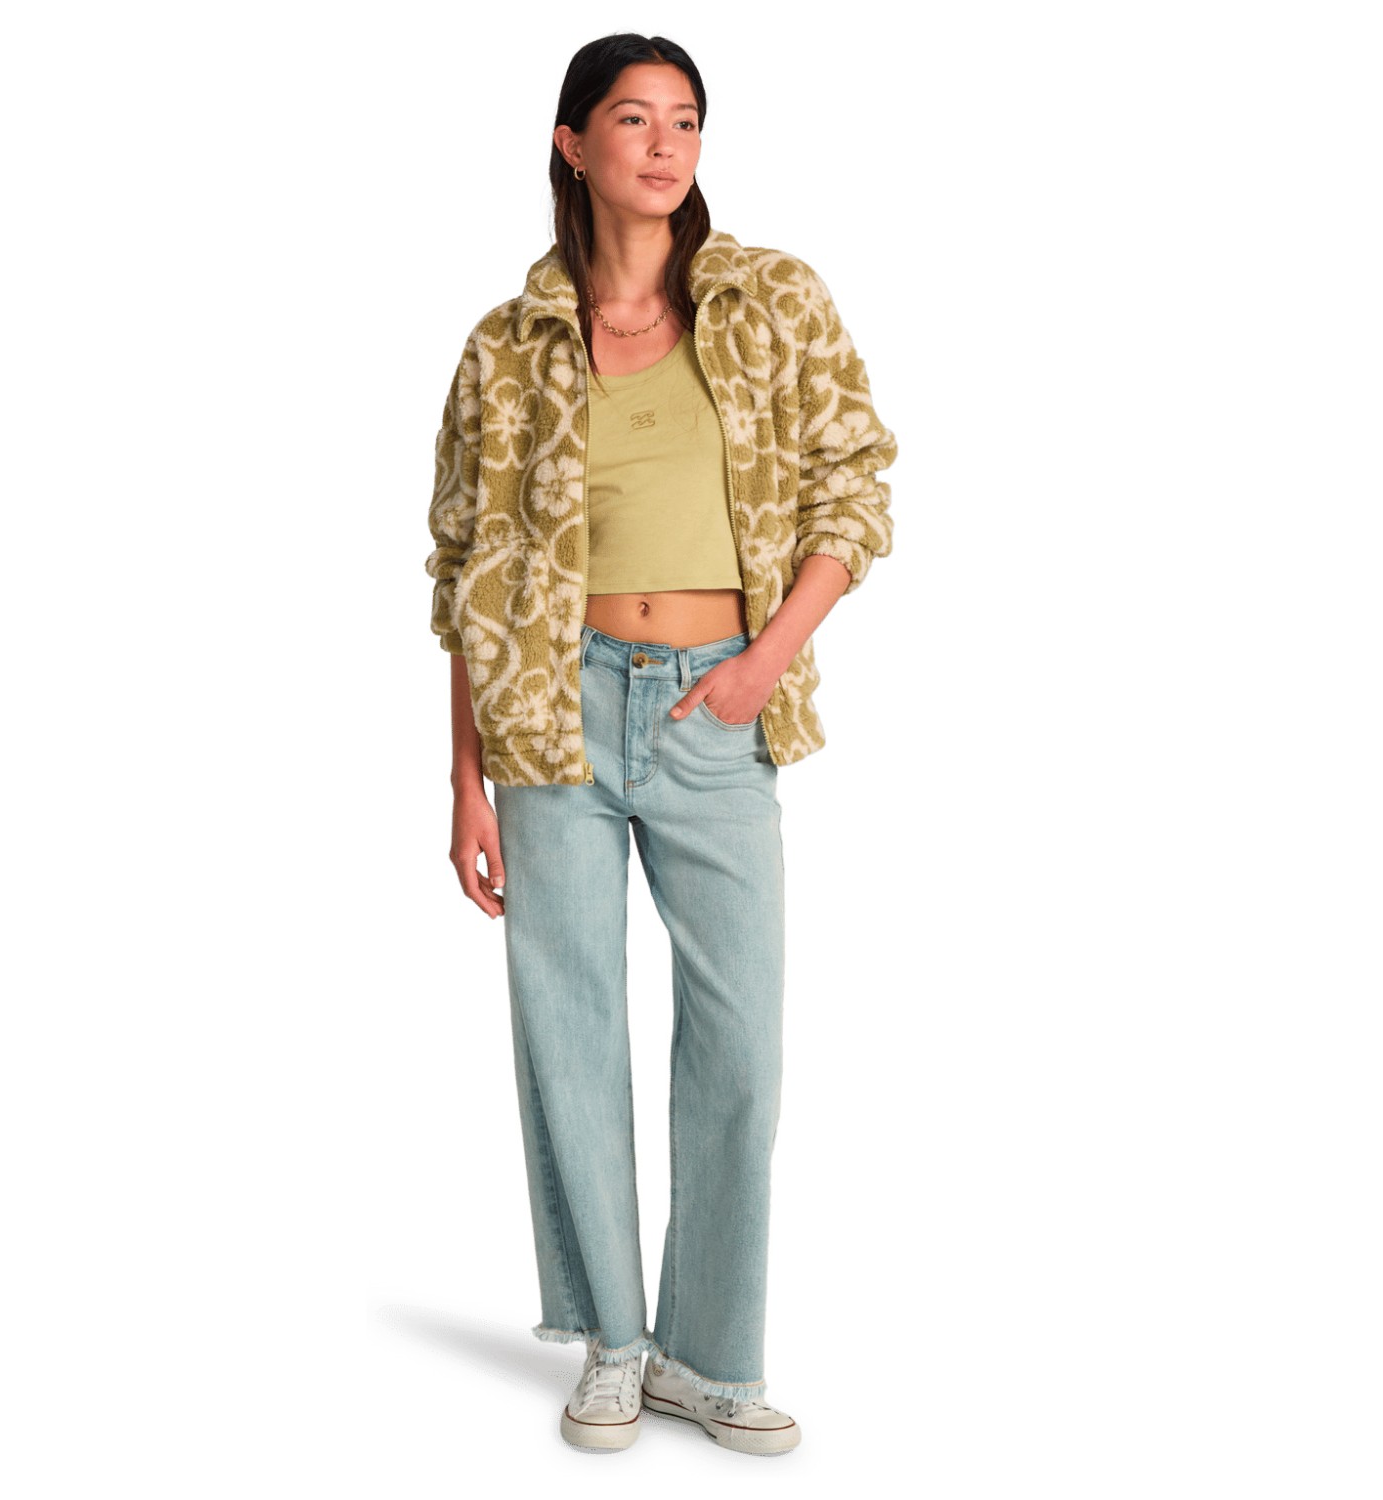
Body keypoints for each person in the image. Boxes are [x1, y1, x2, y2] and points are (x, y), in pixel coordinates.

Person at [424, 33, 897, 1457]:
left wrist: (762, 666)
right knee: (568, 1032)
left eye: (684, 119)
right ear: (572, 144)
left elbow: (856, 491)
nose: (663, 143)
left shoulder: (772, 303)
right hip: (548, 708)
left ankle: (710, 1355)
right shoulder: (506, 347)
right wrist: (465, 781)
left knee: (740, 1043)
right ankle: (614, 1344)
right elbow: (462, 572)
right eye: (632, 118)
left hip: (715, 705)